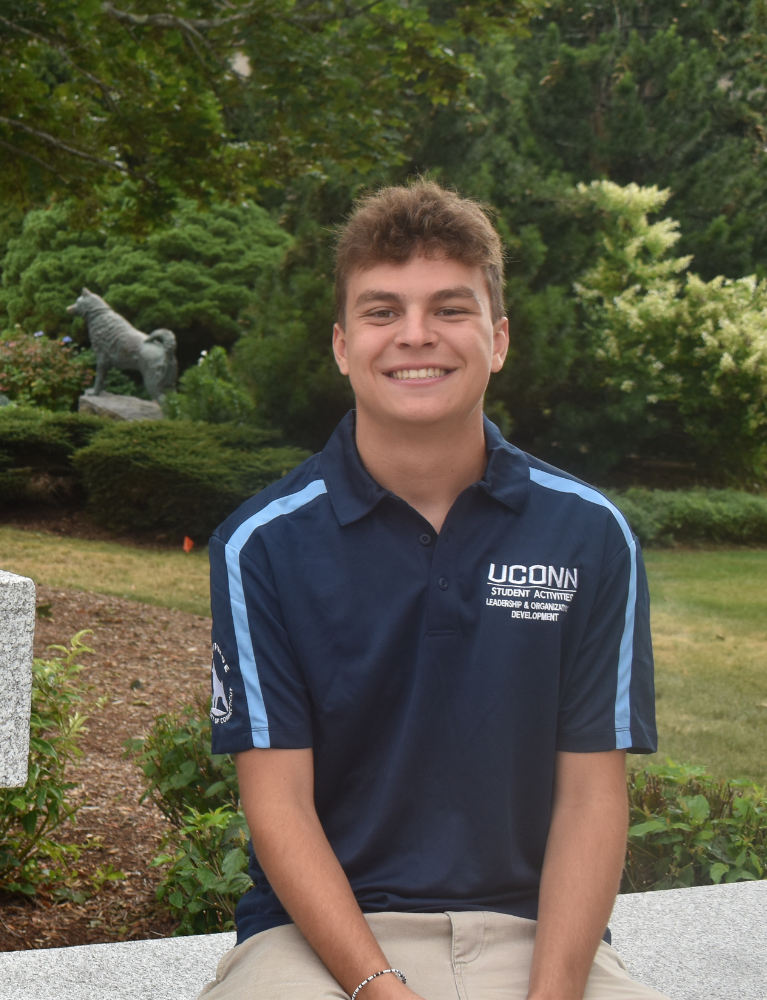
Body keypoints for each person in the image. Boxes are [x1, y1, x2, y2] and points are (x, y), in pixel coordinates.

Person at [201, 180, 667, 1000]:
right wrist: (382, 989)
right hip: (321, 946)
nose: (416, 336)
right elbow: (279, 810)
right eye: (383, 312)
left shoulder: (591, 535)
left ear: (498, 340)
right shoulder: (261, 545)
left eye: (450, 309)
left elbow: (593, 800)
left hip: (537, 936)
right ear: (344, 345)